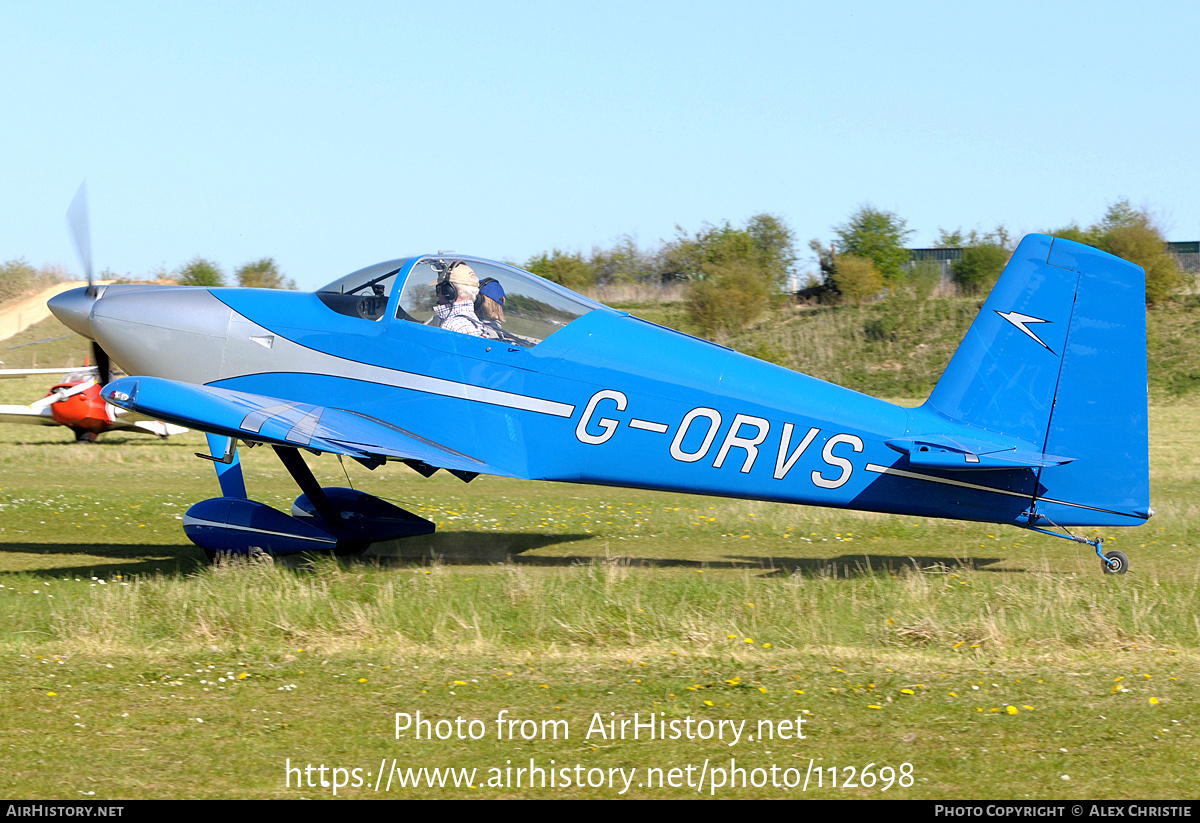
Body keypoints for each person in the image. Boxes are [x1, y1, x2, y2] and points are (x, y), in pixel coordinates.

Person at [432, 263, 488, 337]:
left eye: (440, 289)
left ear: (448, 291)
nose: (438, 294)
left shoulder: (452, 325)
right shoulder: (477, 323)